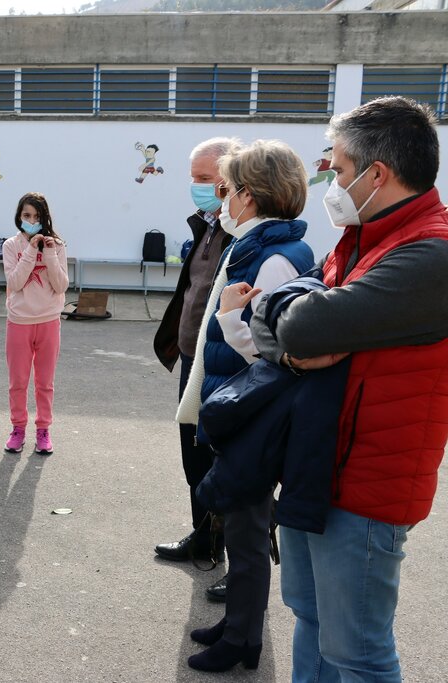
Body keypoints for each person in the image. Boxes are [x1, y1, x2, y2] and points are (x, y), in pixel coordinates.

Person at [250, 96, 448, 683]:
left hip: (365, 488)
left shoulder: (429, 253)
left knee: (358, 653)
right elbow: (277, 316)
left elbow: (306, 323)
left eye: (337, 170)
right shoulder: (364, 238)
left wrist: (290, 321)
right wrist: (287, 329)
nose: (331, 183)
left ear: (376, 174)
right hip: (319, 469)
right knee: (310, 618)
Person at [176, 140, 315, 672]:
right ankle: (237, 625)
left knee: (249, 534)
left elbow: (273, 350)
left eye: (227, 189)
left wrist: (233, 318)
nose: (221, 199)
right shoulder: (255, 243)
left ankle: (243, 641)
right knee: (240, 528)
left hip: (253, 410)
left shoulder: (276, 257)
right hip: (239, 405)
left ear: (251, 196)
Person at [153, 138, 239, 600]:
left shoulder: (242, 233)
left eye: (204, 180)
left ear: (230, 183)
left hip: (223, 365)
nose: (196, 187)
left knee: (228, 460)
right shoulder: (208, 225)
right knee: (194, 454)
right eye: (194, 178)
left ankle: (237, 560)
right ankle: (204, 538)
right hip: (194, 359)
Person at [1, 192, 69, 455]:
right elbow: (15, 282)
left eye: (37, 217)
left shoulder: (58, 246)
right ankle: (18, 428)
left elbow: (62, 285)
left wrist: (49, 254)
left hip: (49, 320)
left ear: (45, 218)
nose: (31, 221)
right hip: (19, 321)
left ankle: (43, 430)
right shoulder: (11, 246)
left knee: (45, 382)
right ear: (19, 216)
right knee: (18, 381)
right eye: (27, 215)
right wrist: (30, 250)